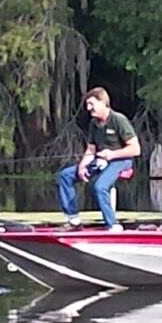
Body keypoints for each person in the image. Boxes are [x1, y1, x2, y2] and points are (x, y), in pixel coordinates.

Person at [58, 87, 141, 231]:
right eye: (87, 105)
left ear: (103, 102)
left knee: (100, 186)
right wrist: (83, 166)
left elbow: (135, 149)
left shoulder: (118, 120)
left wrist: (112, 154)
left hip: (121, 161)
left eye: (92, 104)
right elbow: (91, 149)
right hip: (102, 161)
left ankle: (112, 224)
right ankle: (74, 220)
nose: (89, 108)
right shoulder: (94, 124)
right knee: (65, 176)